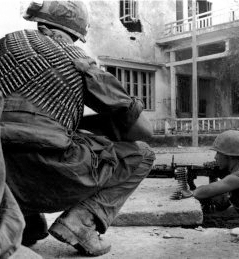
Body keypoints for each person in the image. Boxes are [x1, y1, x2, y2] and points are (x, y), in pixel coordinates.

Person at [0, 1, 155, 256]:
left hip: (4, 177)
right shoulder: (76, 59)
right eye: (73, 38)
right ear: (58, 33)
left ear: (41, 24)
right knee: (142, 154)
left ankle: (19, 220)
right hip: (49, 174)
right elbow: (142, 131)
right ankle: (81, 222)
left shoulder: (4, 44)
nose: (70, 44)